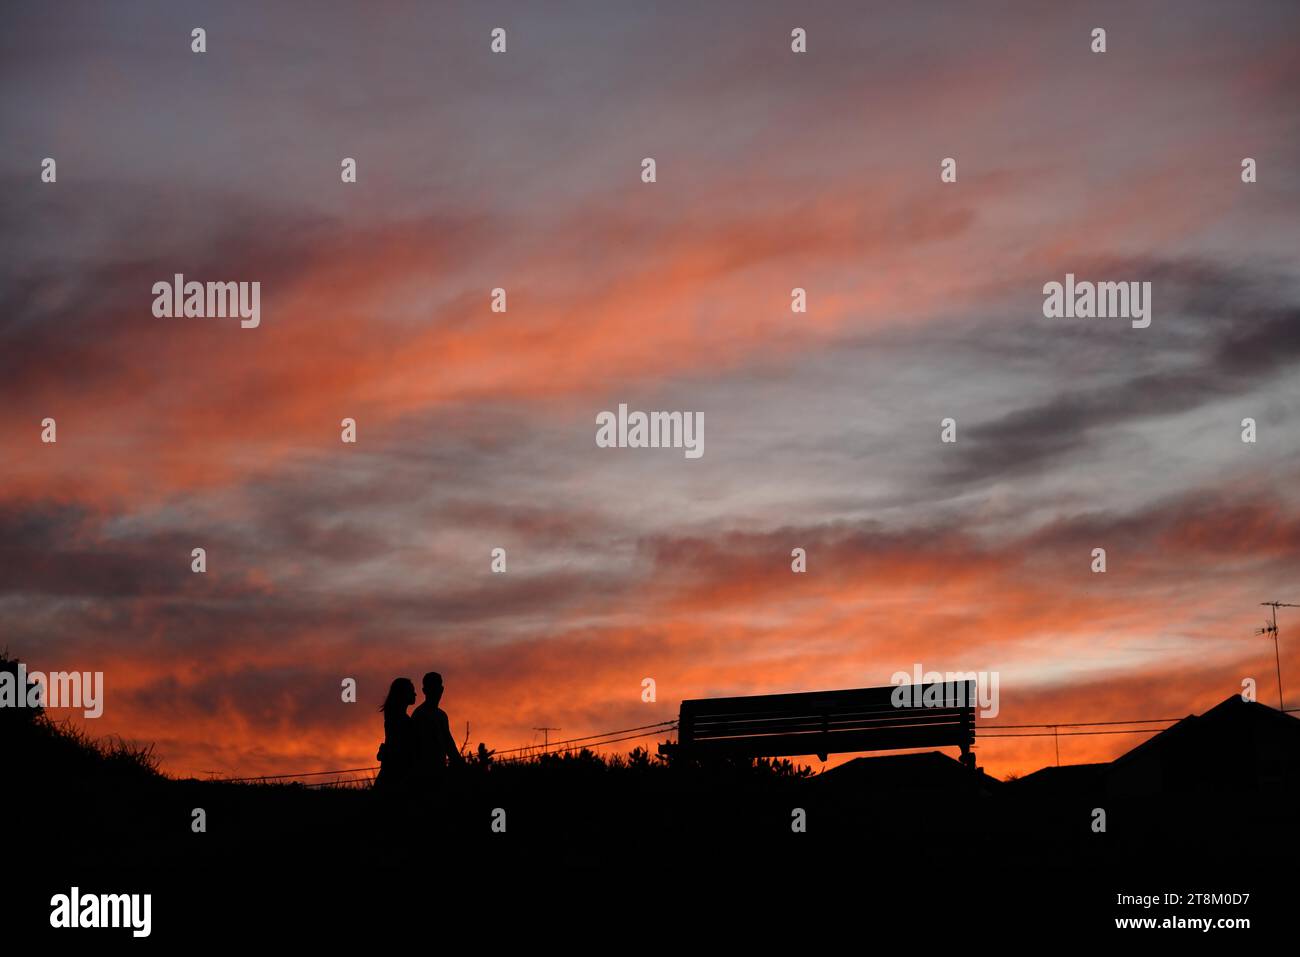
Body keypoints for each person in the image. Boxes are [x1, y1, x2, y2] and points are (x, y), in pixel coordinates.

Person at [411, 671, 465, 792]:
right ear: (425, 691)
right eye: (432, 687)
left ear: (441, 689)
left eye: (437, 687)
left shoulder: (441, 715)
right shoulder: (419, 715)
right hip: (424, 775)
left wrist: (459, 764)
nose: (435, 691)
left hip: (439, 772)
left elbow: (449, 743)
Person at [374, 677, 417, 794]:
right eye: (412, 691)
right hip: (398, 770)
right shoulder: (401, 720)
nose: (415, 694)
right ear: (403, 694)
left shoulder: (394, 716)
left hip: (392, 768)